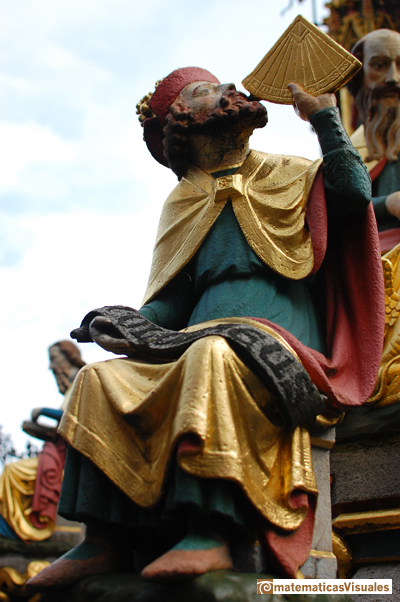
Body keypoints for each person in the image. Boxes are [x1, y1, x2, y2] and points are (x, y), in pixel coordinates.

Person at [27, 67, 384, 591]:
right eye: (205, 90)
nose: (228, 90)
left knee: (212, 355)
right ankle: (103, 540)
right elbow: (169, 307)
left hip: (281, 344)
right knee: (97, 381)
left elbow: (354, 194)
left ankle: (210, 530)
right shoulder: (183, 201)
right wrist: (122, 325)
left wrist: (326, 118)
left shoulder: (292, 172)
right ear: (184, 123)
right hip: (197, 341)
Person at [0, 341, 85, 542]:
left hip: (68, 459)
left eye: (54, 360)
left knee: (13, 472)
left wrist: (43, 412)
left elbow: (73, 417)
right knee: (11, 471)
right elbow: (61, 431)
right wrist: (35, 428)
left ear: (68, 358)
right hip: (57, 453)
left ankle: (20, 529)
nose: (51, 367)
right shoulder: (70, 387)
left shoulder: (84, 378)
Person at [348, 28, 400, 252]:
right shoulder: (350, 150)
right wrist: (386, 204)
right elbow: (337, 211)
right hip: (372, 258)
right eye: (379, 65)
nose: (393, 78)